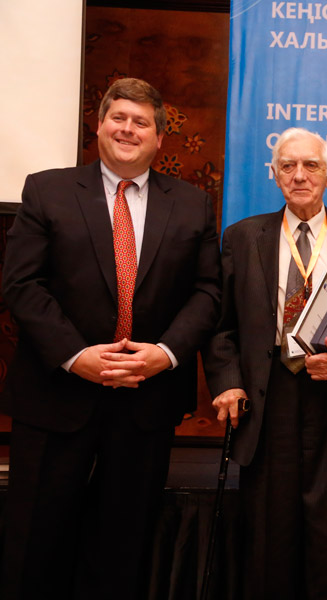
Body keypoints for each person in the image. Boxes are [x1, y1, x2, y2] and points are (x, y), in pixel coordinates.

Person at [0, 77, 221, 598]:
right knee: (34, 547)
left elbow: (209, 291)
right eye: (118, 118)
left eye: (141, 122)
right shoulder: (47, 190)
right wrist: (75, 356)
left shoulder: (193, 203)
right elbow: (21, 284)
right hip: (55, 397)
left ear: (159, 138)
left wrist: (165, 354)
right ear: (98, 126)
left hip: (146, 402)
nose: (127, 129)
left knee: (122, 550)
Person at [203, 127, 327, 599]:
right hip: (267, 397)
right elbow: (221, 324)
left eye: (311, 165)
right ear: (274, 176)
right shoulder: (242, 237)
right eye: (287, 166)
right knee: (269, 537)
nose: (299, 175)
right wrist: (228, 382)